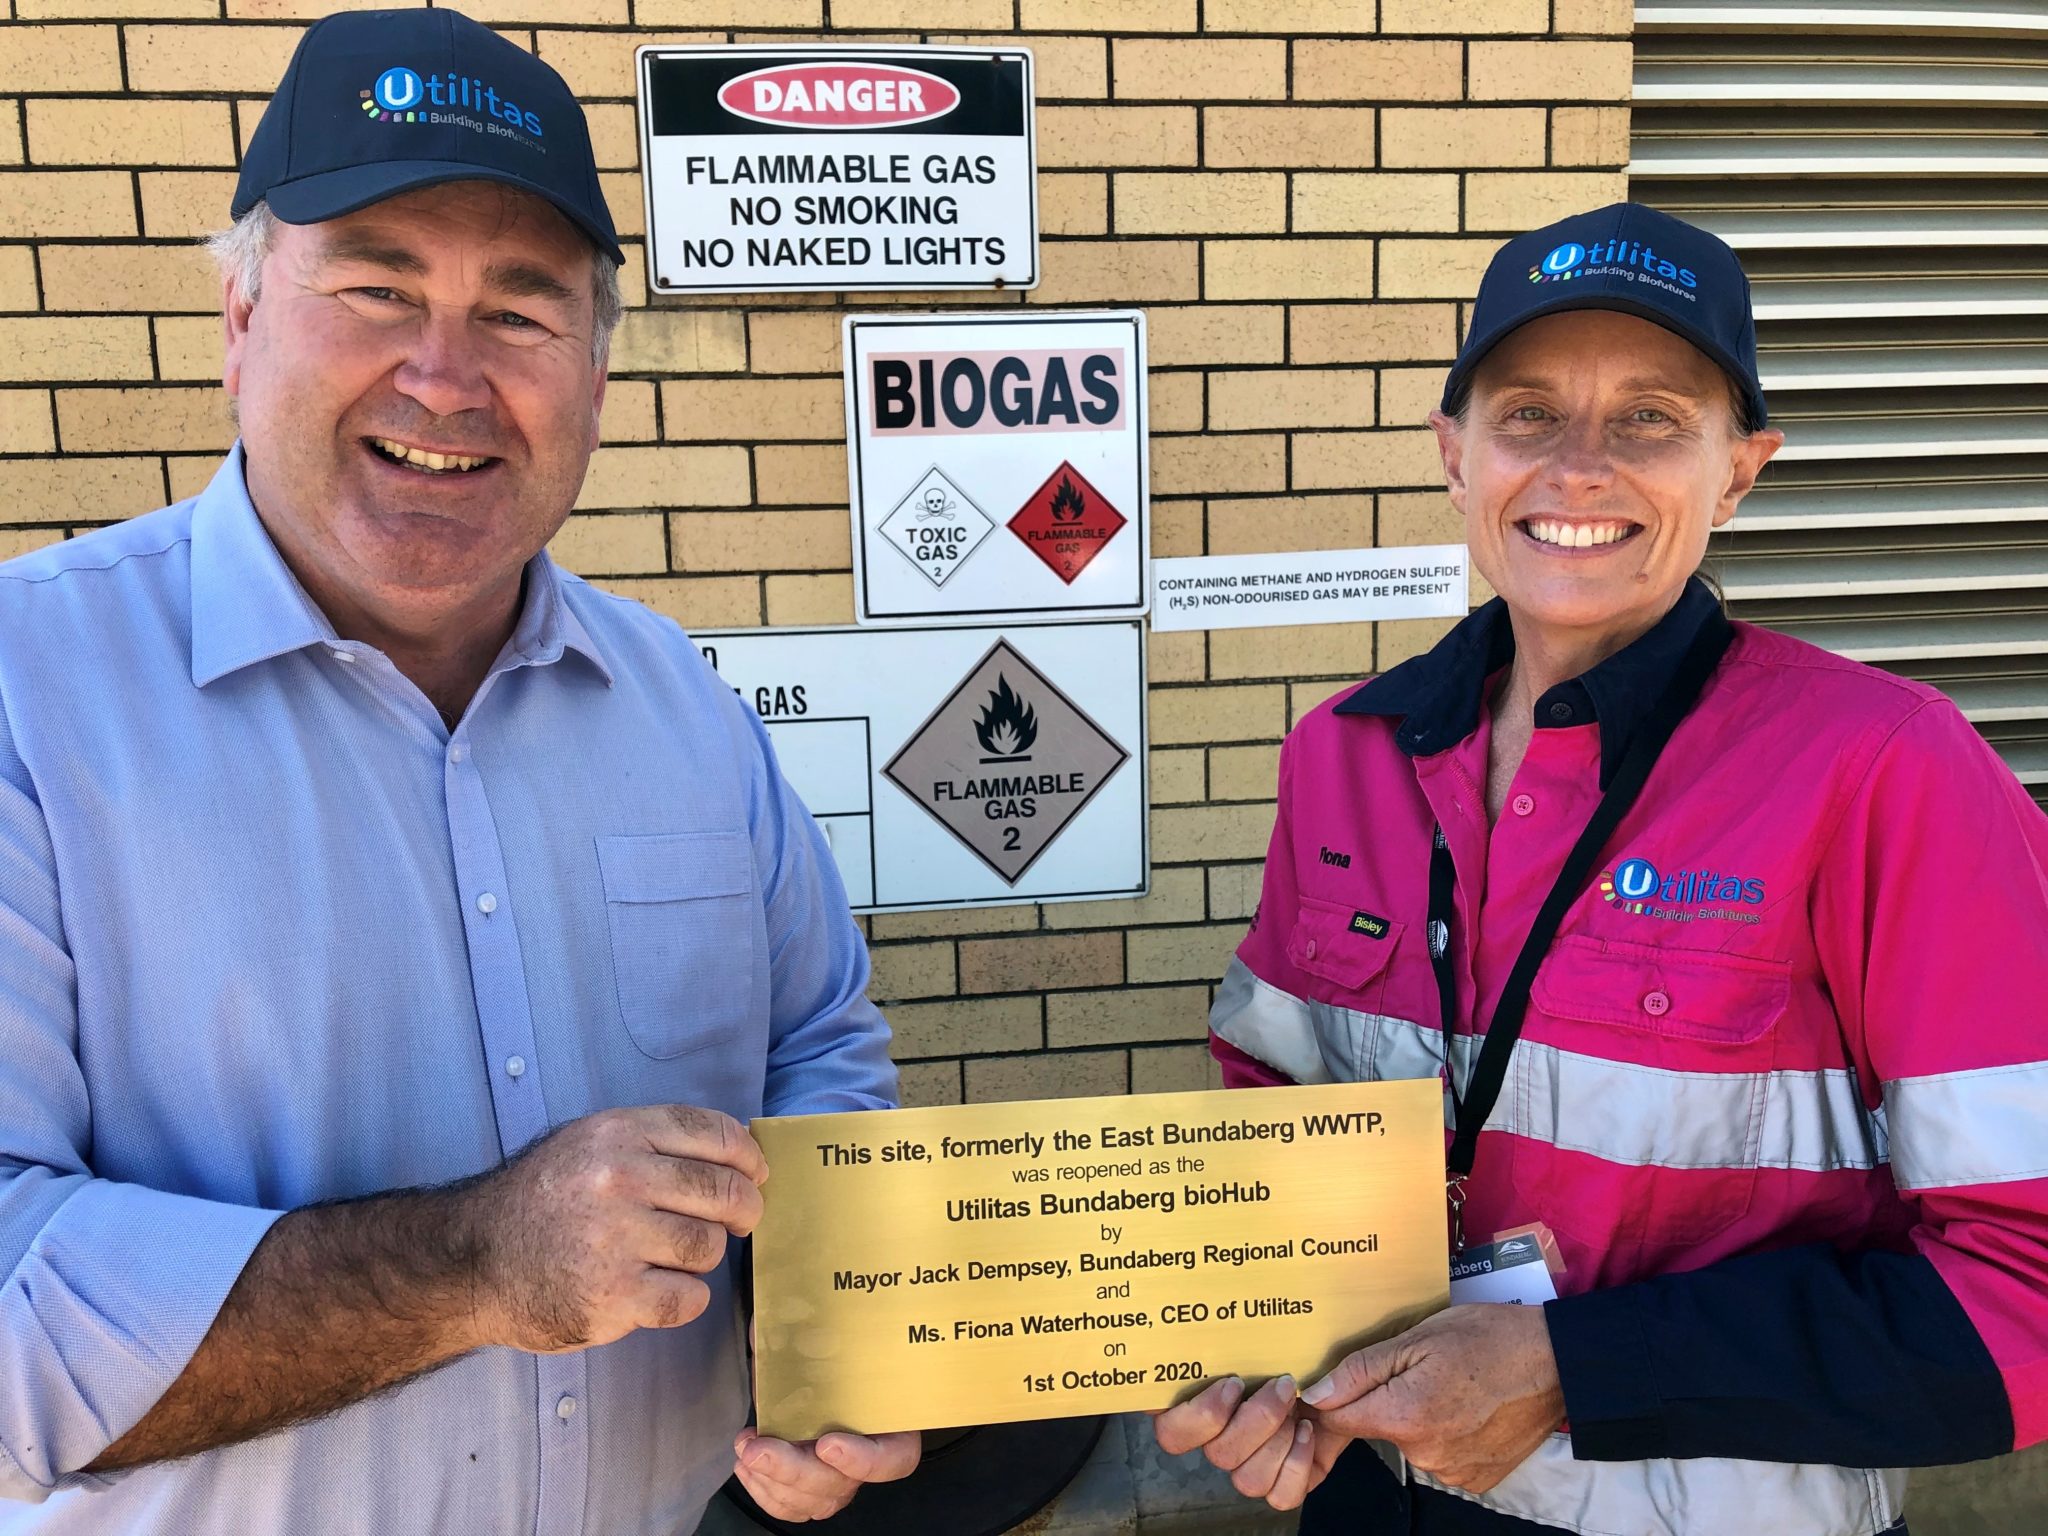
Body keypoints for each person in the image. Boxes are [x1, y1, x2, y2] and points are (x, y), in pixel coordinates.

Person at [0, 9, 918, 1531]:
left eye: (520, 310)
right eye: (376, 288)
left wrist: (827, 1338)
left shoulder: (685, 704)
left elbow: (816, 1052)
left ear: (597, 378)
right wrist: (479, 1264)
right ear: (239, 319)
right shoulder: (28, 696)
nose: (445, 377)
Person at [1157, 202, 2048, 1534]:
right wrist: (1249, 1348)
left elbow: (2026, 1289)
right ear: (1455, 455)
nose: (1579, 468)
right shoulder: (1343, 754)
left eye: (1650, 418)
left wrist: (1575, 1370)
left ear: (1739, 471)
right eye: (1528, 413)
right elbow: (1271, 1119)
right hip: (1372, 1496)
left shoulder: (1886, 770)